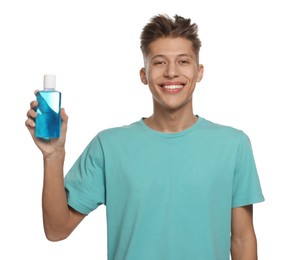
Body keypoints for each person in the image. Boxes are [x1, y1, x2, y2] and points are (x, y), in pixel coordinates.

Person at [25, 14, 264, 260]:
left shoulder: (233, 145)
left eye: (183, 61)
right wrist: (53, 157)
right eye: (159, 62)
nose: (172, 72)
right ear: (144, 74)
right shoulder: (109, 146)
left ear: (199, 71)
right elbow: (56, 230)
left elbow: (242, 239)